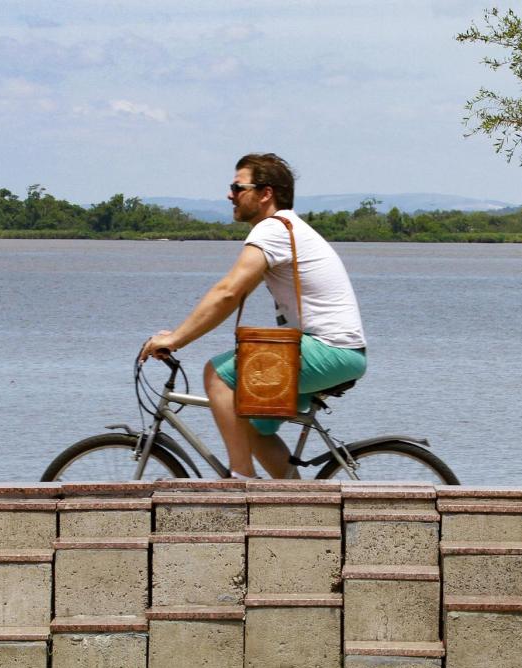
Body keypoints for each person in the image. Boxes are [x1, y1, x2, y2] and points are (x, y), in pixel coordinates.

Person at [139, 153, 367, 479]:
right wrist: (177, 334)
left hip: (331, 349)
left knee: (218, 375)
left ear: (265, 193)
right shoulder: (286, 229)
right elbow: (234, 293)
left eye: (237, 187)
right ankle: (298, 503)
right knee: (253, 425)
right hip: (338, 351)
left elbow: (228, 292)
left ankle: (241, 479)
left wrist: (176, 339)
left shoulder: (274, 229)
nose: (229, 194)